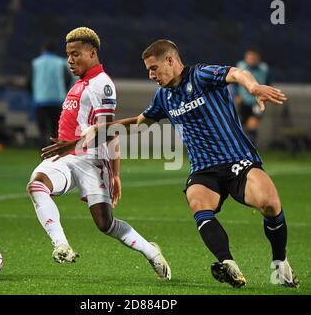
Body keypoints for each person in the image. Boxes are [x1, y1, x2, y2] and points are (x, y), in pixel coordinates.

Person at [42, 39, 299, 288]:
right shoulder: (163, 97)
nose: (151, 75)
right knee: (197, 201)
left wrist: (253, 87)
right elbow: (140, 122)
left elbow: (237, 73)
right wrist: (92, 133)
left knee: (270, 204)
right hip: (204, 170)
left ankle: (280, 262)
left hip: (238, 160)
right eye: (148, 71)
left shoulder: (200, 75)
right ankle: (228, 263)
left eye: (154, 68)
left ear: (170, 60)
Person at [27, 28, 171, 280]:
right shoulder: (80, 83)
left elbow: (109, 131)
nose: (70, 60)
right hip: (64, 157)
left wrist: (115, 174)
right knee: (37, 186)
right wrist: (68, 147)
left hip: (91, 160)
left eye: (75, 54)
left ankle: (150, 250)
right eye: (68, 55)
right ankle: (60, 244)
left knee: (105, 224)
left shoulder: (102, 85)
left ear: (92, 53)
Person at [30, 41, 75, 149]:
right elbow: (69, 79)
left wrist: (36, 92)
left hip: (40, 101)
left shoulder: (36, 63)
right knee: (56, 130)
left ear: (43, 49)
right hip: (58, 100)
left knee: (43, 130)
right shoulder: (60, 63)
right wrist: (63, 91)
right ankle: (54, 153)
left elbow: (29, 81)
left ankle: (43, 154)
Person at [234, 47, 271, 145]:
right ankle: (243, 149)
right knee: (242, 127)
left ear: (257, 58)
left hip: (256, 102)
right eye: (249, 58)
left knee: (252, 125)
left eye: (253, 58)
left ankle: (251, 151)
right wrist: (237, 95)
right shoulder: (240, 66)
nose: (251, 60)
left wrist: (265, 95)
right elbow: (235, 84)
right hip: (244, 102)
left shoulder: (264, 69)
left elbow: (267, 83)